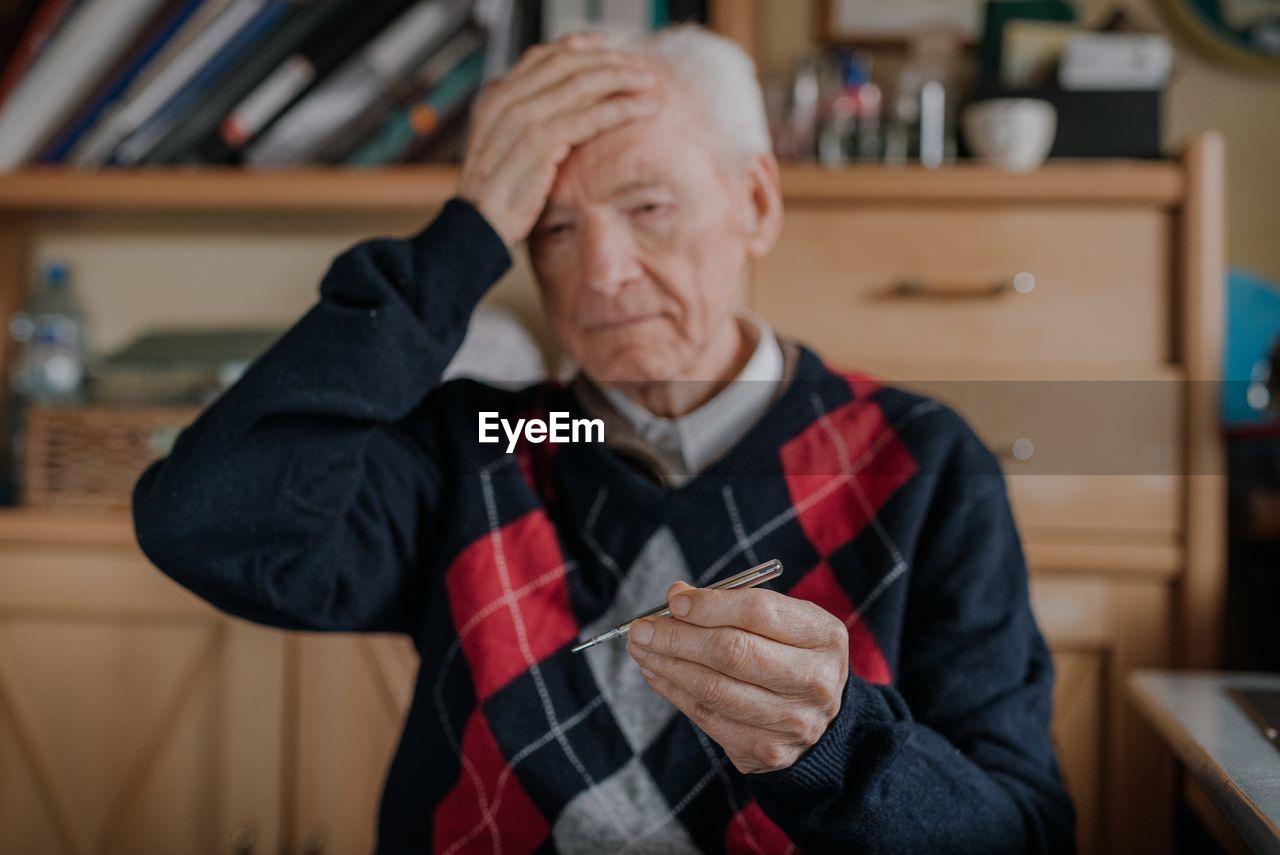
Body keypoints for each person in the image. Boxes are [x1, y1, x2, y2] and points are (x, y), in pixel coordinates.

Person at [132, 24, 1075, 855]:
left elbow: (1022, 831)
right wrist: (461, 238)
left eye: (650, 208)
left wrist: (837, 747)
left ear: (756, 202)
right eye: (549, 228)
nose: (602, 272)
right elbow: (203, 519)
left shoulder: (920, 460)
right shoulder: (495, 439)